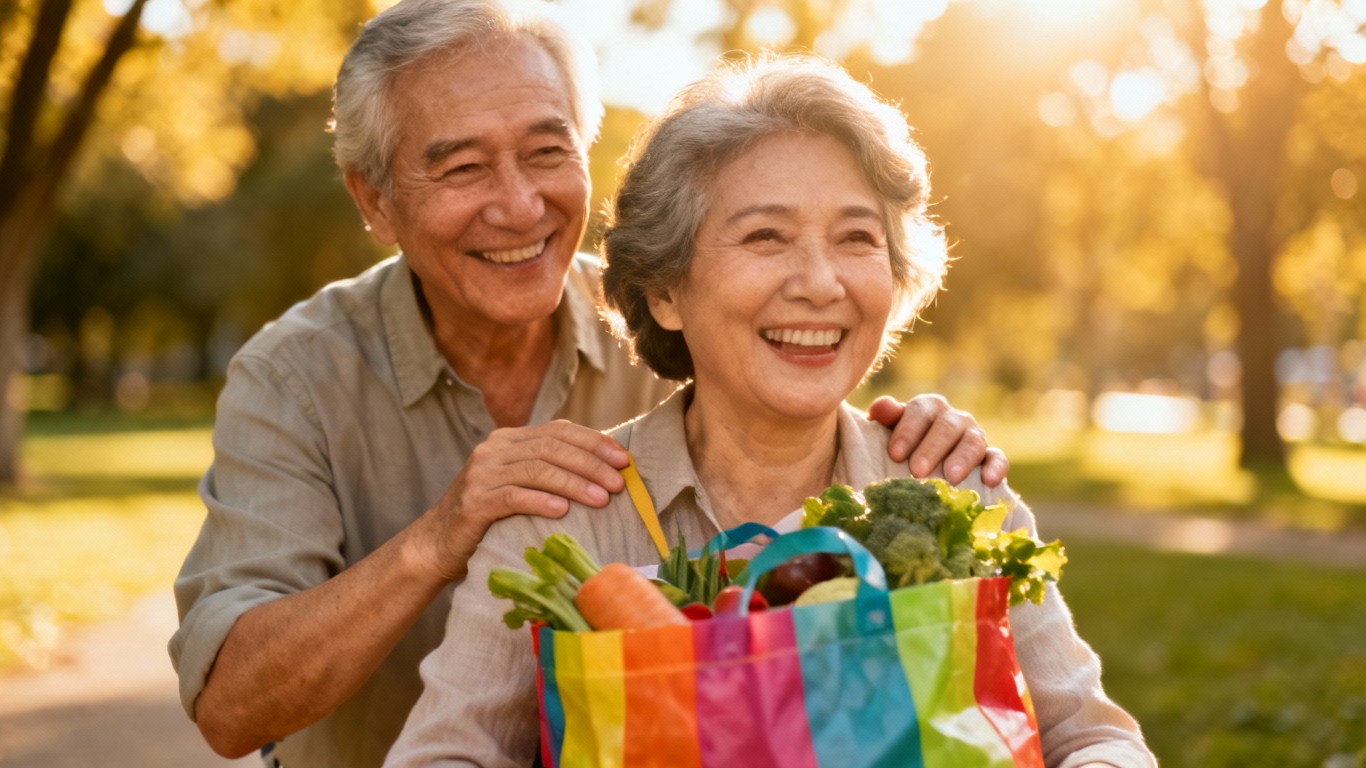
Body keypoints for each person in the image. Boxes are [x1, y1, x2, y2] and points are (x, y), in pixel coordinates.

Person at [168, 2, 1010, 767]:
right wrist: (440, 537)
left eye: (547, 152)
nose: (520, 204)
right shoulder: (296, 379)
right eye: (462, 169)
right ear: (375, 201)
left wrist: (923, 449)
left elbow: (808, 351)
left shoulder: (674, 315)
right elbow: (232, 710)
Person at [384, 55, 1156, 768]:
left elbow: (1092, 738)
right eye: (766, 235)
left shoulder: (950, 492)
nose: (820, 282)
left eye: (857, 237)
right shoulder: (560, 521)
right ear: (665, 291)